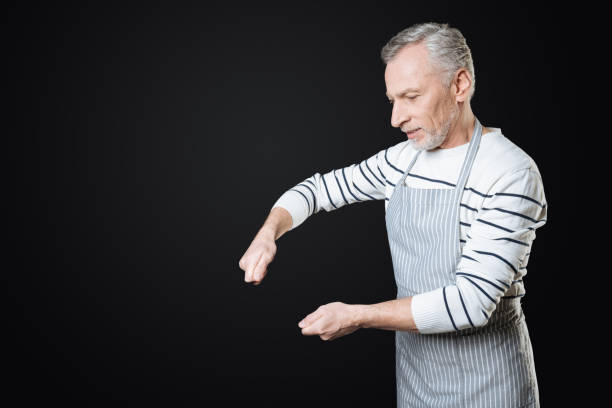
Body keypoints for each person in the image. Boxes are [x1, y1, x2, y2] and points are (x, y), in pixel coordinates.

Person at [239, 22, 547, 407]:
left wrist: (357, 316)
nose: (395, 118)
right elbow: (316, 190)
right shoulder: (401, 162)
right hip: (416, 384)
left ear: (460, 85)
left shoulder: (509, 172)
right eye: (392, 100)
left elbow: (470, 303)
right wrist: (269, 232)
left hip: (489, 388)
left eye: (411, 97)